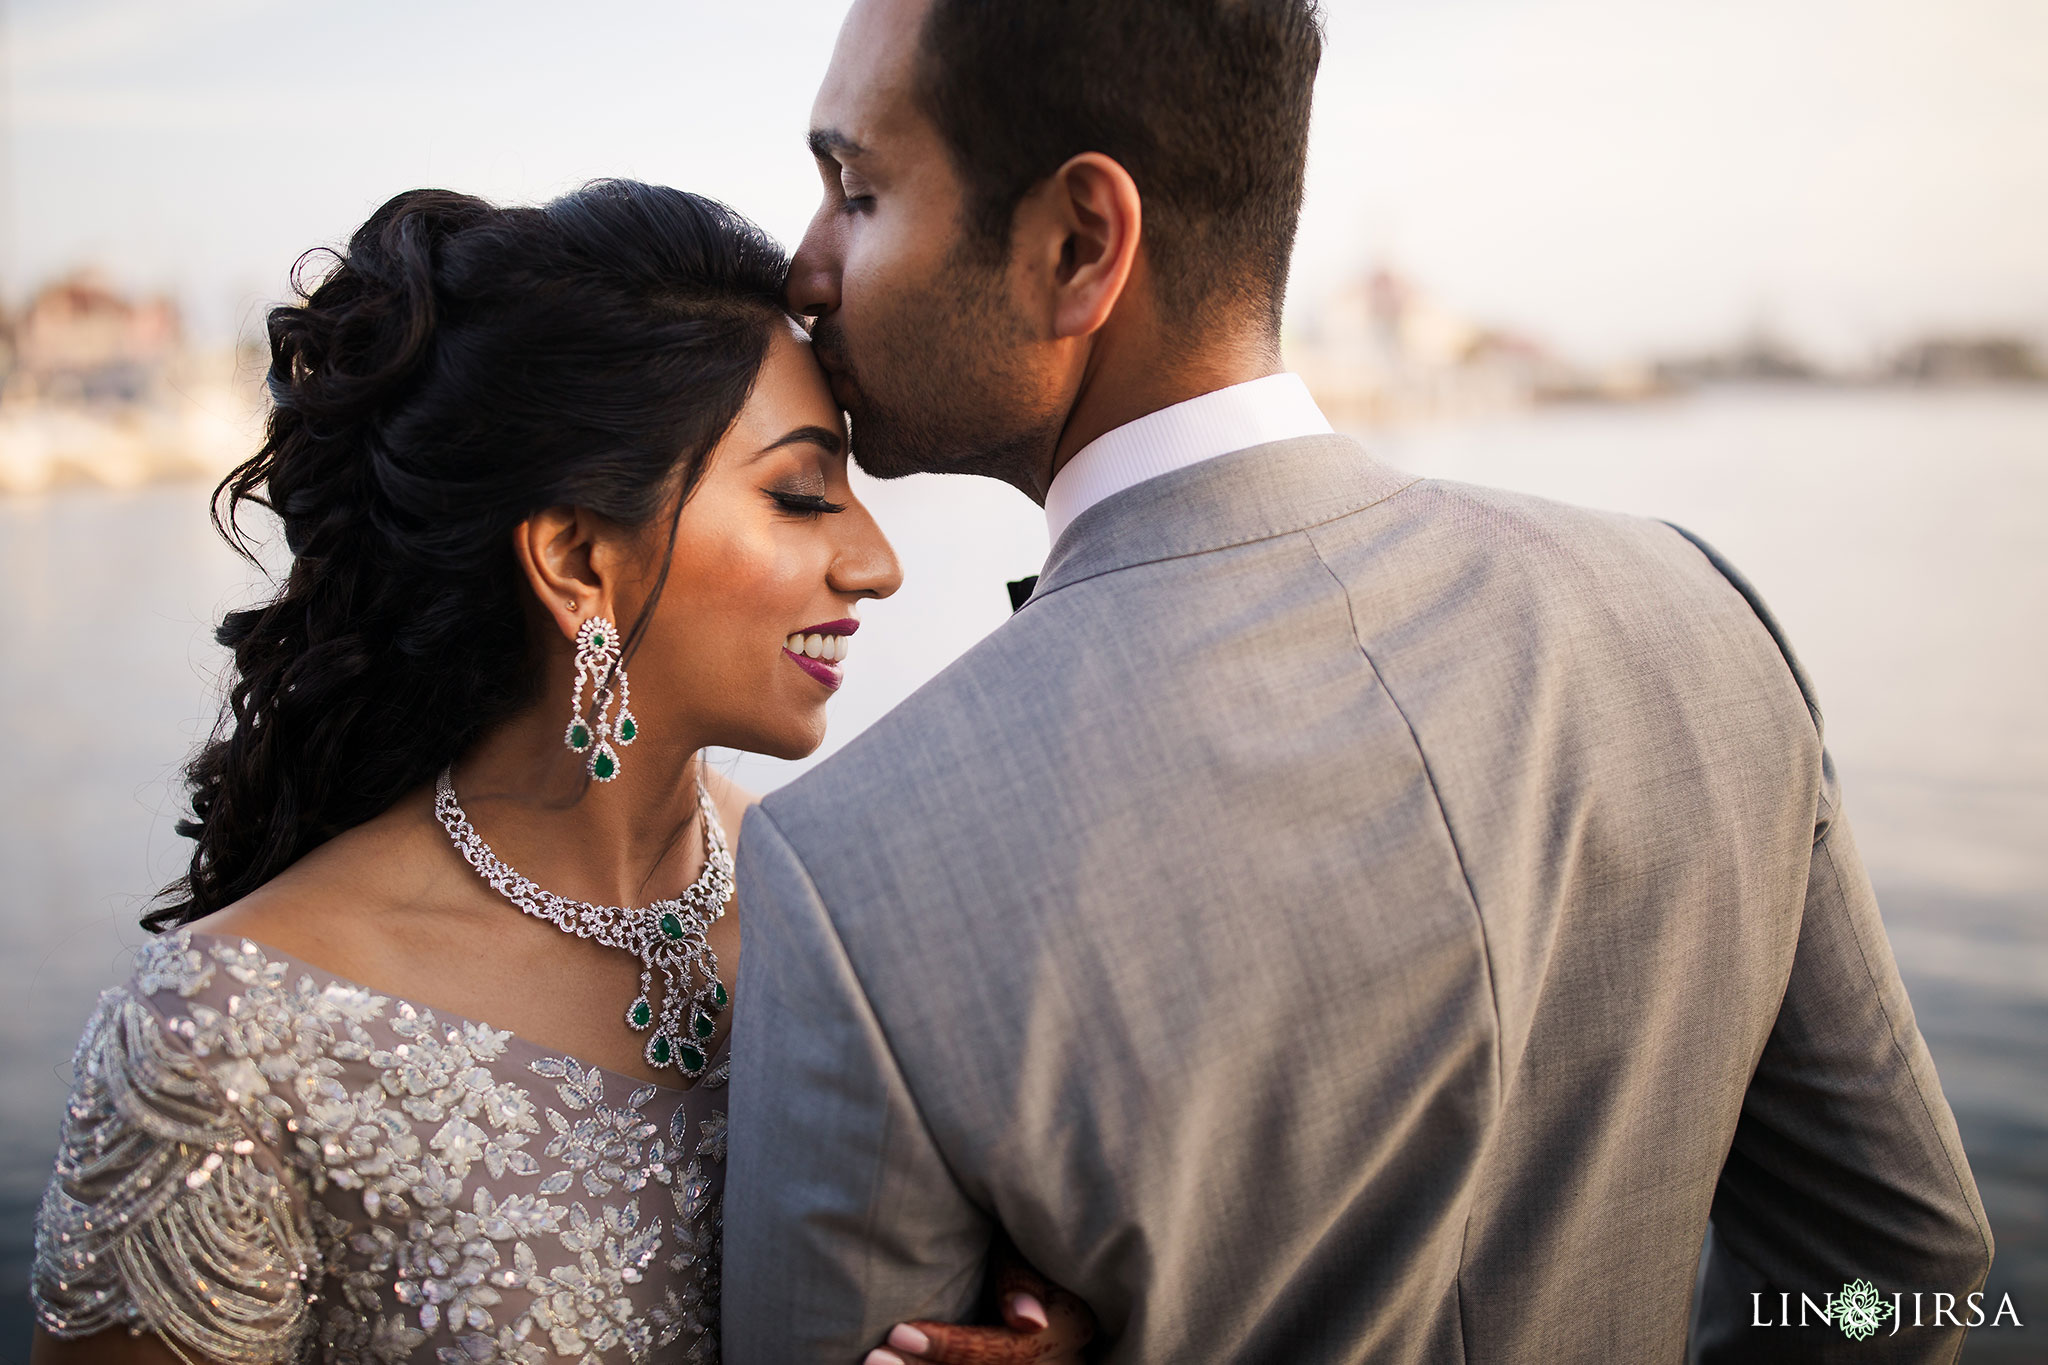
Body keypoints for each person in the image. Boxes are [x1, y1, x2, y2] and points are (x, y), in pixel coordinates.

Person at [721, 1, 1995, 1361]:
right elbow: (1902, 1267)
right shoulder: (1706, 622)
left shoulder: (854, 872)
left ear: (1079, 246)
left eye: (857, 192)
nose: (804, 268)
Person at [29, 181, 1091, 1365]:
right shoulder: (227, 1039)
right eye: (800, 495)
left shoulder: (856, 914)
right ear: (578, 558)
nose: (876, 562)